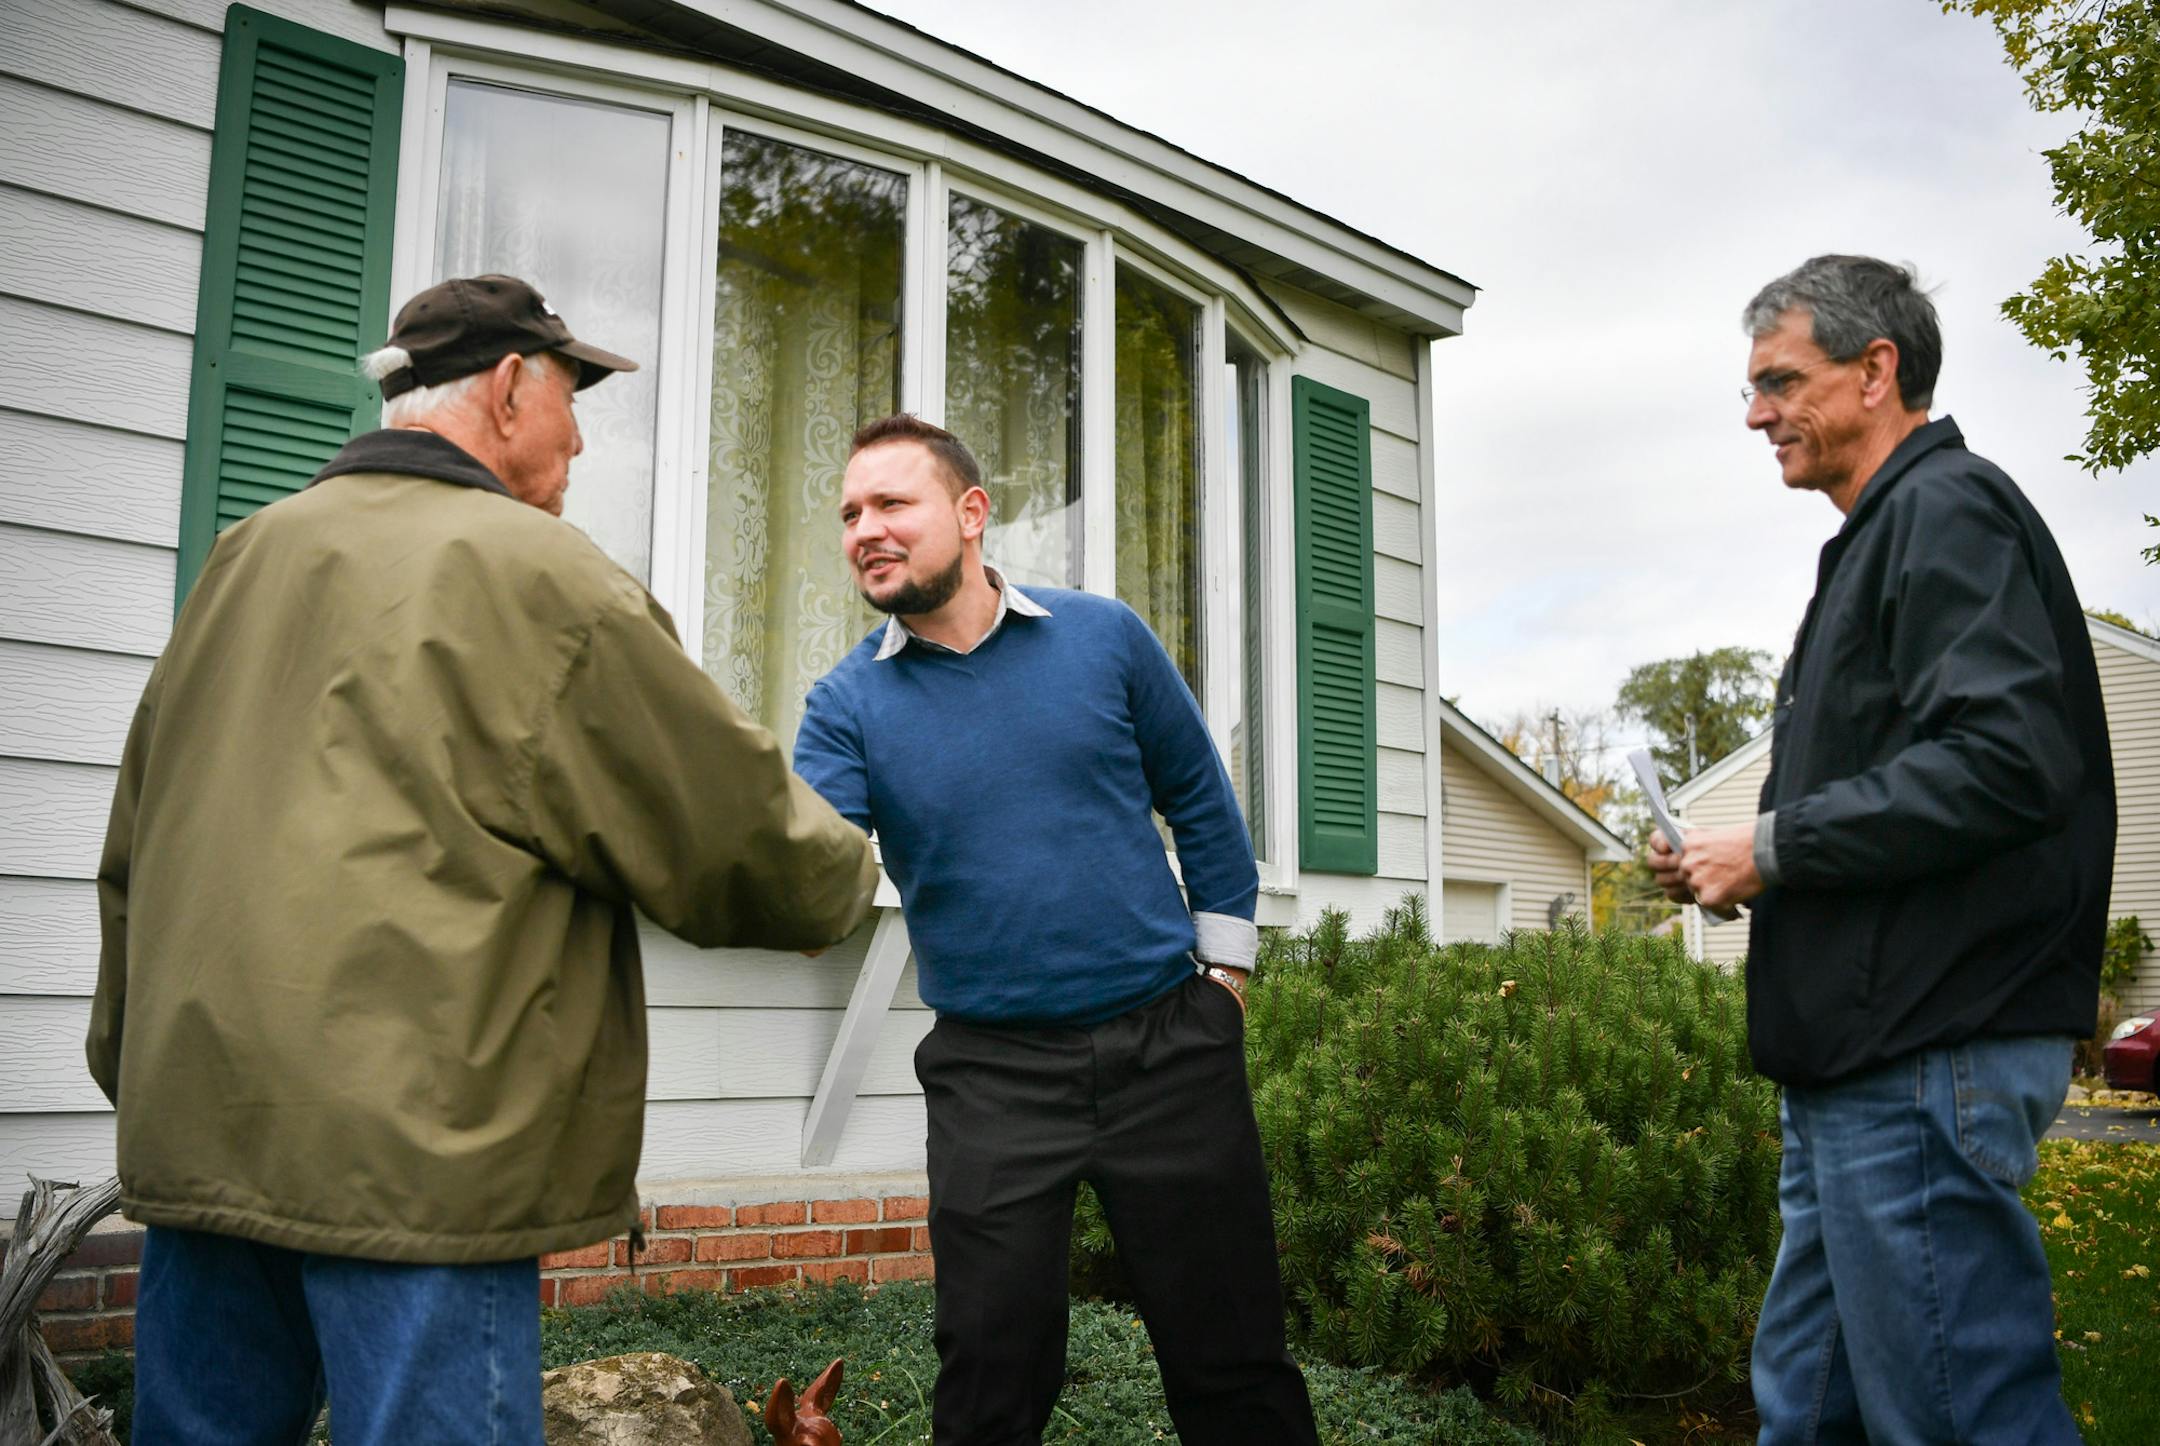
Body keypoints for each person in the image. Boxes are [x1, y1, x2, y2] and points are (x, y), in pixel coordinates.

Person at [88, 274, 879, 1444]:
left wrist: (134, 1066)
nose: (579, 443)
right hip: (417, 1157)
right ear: (510, 388)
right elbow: (723, 824)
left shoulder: (244, 558)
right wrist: (844, 882)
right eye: (575, 401)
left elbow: (135, 851)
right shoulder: (540, 577)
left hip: (206, 1125)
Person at [1653, 255, 2113, 1444]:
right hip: (1859, 1061)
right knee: (1810, 1412)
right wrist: (1743, 862)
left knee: (1960, 1418)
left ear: (1877, 370)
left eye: (1780, 381)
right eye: (1752, 390)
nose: (1756, 414)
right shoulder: (1876, 537)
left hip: (1925, 1054)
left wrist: (1779, 846)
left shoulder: (1945, 509)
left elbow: (2010, 761)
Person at [792, 415, 1318, 1446]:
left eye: (892, 503)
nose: (865, 529)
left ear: (971, 512)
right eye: (850, 513)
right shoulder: (846, 704)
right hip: (993, 1076)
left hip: (1171, 1047)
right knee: (990, 1374)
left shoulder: (1103, 637)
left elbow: (1202, 803)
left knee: (1234, 1362)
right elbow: (813, 868)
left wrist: (1226, 976)